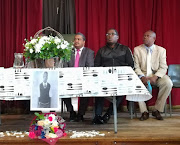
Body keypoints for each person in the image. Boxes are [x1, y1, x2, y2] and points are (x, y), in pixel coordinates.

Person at [93, 28, 134, 124]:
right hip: (105, 78)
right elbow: (96, 66)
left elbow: (131, 65)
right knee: (98, 89)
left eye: (112, 34)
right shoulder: (101, 50)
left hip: (121, 78)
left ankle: (108, 113)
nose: (109, 36)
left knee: (122, 89)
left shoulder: (125, 49)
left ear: (117, 37)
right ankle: (97, 116)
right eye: (108, 34)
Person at [134, 30, 173, 121]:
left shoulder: (161, 50)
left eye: (148, 36)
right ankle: (144, 111)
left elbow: (163, 67)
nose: (145, 37)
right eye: (144, 35)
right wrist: (142, 77)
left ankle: (157, 110)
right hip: (143, 75)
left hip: (156, 75)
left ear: (154, 39)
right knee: (135, 84)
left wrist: (155, 77)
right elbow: (136, 66)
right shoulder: (137, 49)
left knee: (168, 83)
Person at [63, 32, 94, 122]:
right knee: (62, 88)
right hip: (70, 78)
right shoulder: (68, 52)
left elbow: (90, 67)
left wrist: (80, 77)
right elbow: (65, 67)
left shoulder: (89, 52)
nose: (76, 41)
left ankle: (81, 114)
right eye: (75, 39)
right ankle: (71, 112)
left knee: (87, 89)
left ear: (84, 42)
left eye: (78, 39)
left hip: (84, 79)